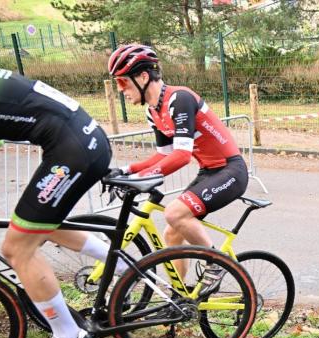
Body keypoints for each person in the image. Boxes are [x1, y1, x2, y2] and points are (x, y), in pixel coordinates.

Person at [0, 64, 113, 338]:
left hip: (71, 150)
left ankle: (68, 336)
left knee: (17, 248)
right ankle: (119, 263)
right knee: (38, 225)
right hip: (83, 140)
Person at [106, 45, 248, 271]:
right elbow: (163, 155)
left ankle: (218, 264)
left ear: (143, 77)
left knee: (174, 213)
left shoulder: (179, 99)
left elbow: (182, 156)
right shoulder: (153, 110)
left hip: (230, 171)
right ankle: (180, 299)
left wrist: (141, 178)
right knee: (172, 234)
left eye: (123, 82)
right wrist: (126, 171)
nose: (121, 89)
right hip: (208, 171)